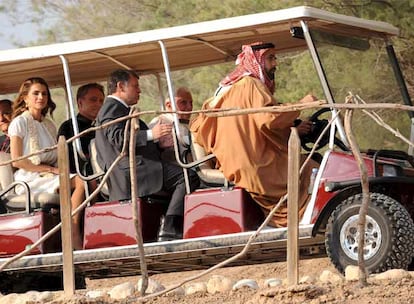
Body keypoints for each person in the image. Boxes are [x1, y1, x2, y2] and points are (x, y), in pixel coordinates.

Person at [190, 41, 319, 227]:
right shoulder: (249, 84)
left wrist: (294, 129)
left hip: (245, 158)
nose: (275, 64)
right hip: (252, 162)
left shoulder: (236, 86)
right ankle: (308, 216)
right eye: (270, 58)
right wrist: (301, 104)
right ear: (256, 60)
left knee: (304, 163)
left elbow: (257, 124)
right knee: (310, 167)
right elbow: (268, 118)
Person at [95, 69, 199, 241]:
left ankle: (170, 225)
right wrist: (152, 134)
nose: (139, 91)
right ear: (120, 86)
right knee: (188, 177)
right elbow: (118, 139)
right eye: (135, 86)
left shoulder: (122, 109)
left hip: (136, 166)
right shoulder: (112, 107)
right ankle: (171, 228)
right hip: (131, 171)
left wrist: (158, 144)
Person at [9, 77, 85, 249]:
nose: (41, 97)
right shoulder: (19, 122)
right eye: (35, 93)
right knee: (81, 181)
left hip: (50, 174)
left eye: (44, 94)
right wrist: (49, 169)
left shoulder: (49, 125)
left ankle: (78, 229)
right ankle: (72, 231)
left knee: (90, 182)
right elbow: (18, 160)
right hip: (30, 177)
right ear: (25, 98)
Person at [57, 83, 105, 174]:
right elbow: (72, 158)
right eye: (93, 100)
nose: (98, 104)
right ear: (80, 102)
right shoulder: (69, 127)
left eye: (101, 101)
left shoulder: (103, 125)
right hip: (83, 173)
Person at [149, 87, 193, 163]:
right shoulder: (159, 123)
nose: (189, 107)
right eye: (183, 103)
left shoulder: (189, 124)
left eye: (191, 103)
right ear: (169, 105)